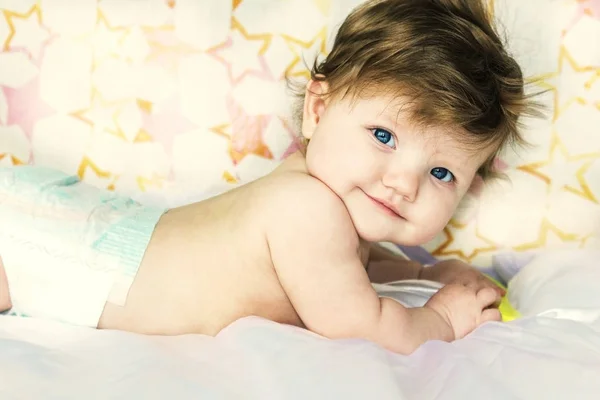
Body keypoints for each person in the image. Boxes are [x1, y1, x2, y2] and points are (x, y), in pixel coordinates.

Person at [0, 0, 538, 355]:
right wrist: (441, 320)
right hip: (71, 255)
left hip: (104, 232)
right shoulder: (306, 210)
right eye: (383, 136)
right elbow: (361, 324)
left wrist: (436, 268)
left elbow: (350, 262)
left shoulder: (321, 197)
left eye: (441, 172)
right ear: (319, 110)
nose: (403, 183)